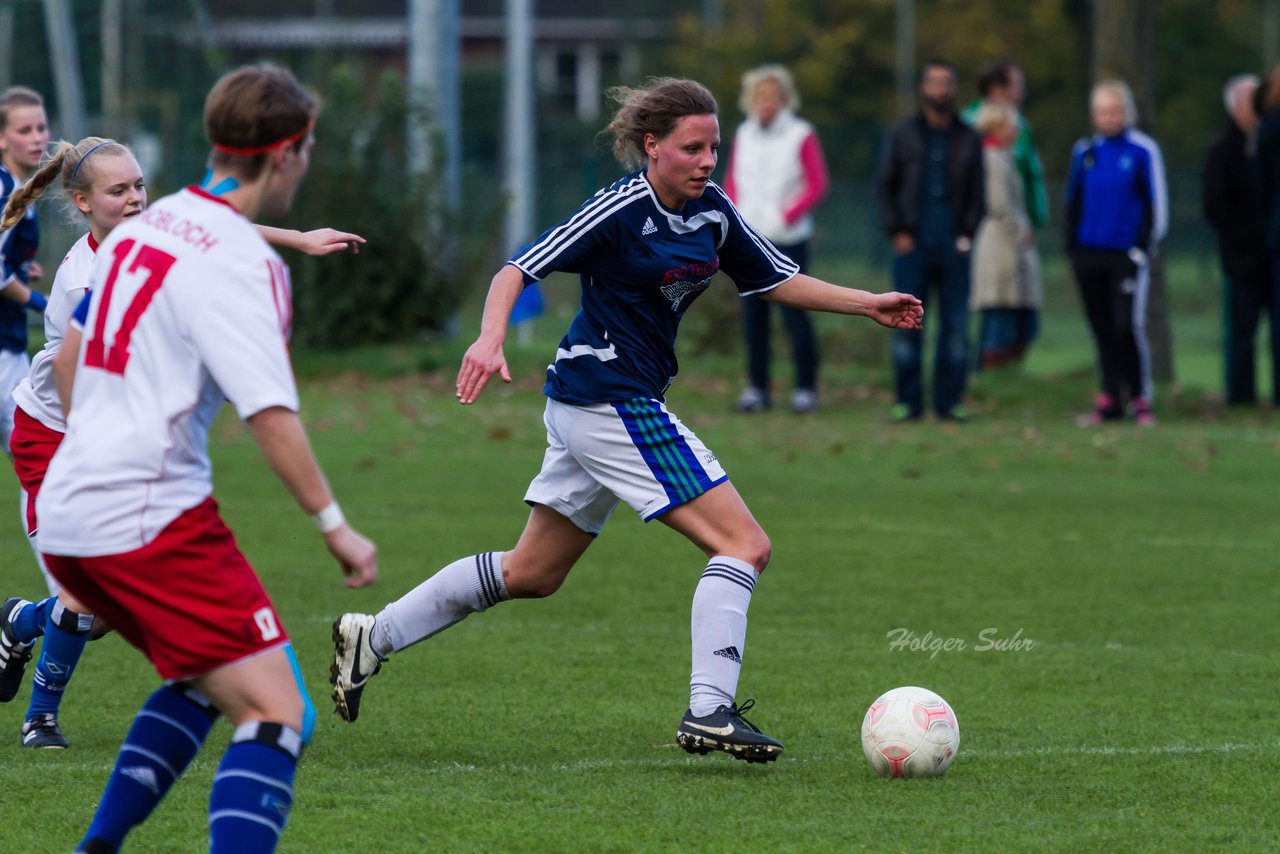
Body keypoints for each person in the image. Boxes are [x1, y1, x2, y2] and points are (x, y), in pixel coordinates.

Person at [329, 77, 922, 765]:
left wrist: (867, 303)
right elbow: (516, 271)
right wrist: (490, 337)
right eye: (691, 148)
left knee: (532, 573)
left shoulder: (712, 213)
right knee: (743, 544)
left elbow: (776, 278)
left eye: (713, 148)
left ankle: (373, 637)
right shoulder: (617, 211)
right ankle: (709, 710)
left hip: (599, 404)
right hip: (609, 401)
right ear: (652, 146)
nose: (706, 161)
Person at [35, 64, 377, 851]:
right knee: (278, 710)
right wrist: (334, 525)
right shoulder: (243, 261)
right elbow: (270, 414)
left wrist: (99, 438)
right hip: (150, 516)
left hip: (68, 511)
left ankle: (98, 846)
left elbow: (65, 360)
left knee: (202, 682)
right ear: (287, 153)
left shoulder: (143, 229)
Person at [0, 136, 366, 751]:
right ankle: (40, 718)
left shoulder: (145, 237)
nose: (137, 199)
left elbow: (213, 227)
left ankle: (18, 621)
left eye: (140, 186)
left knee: (106, 610)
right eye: (119, 192)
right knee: (84, 597)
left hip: (111, 435)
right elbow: (79, 367)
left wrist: (298, 239)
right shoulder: (85, 278)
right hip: (56, 436)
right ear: (82, 202)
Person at [876, 59, 985, 422]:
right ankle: (907, 402)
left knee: (955, 327)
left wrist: (967, 234)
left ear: (954, 89)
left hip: (955, 246)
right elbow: (885, 186)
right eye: (933, 83)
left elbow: (977, 193)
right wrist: (898, 232)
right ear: (924, 88)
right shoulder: (902, 134)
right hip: (913, 245)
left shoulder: (969, 138)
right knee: (906, 325)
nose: (940, 90)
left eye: (946, 83)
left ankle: (949, 402)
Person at [723, 64, 829, 413]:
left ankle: (805, 389)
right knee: (753, 316)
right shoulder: (744, 134)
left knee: (796, 313)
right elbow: (732, 181)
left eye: (771, 96)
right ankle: (757, 388)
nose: (765, 103)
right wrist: (737, 218)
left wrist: (785, 216)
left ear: (784, 99)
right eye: (759, 96)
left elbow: (816, 184)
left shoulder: (801, 134)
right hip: (750, 238)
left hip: (788, 237)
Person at [1066, 79, 1168, 426]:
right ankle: (1109, 397)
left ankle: (1140, 397)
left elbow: (1155, 206)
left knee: (1127, 325)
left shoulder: (1142, 151)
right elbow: (1073, 203)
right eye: (1102, 111)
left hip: (1125, 254)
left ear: (1127, 113)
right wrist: (1074, 250)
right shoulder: (1085, 152)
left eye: (1114, 110)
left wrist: (1140, 249)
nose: (1108, 117)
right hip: (1089, 254)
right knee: (1102, 327)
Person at [1204, 74, 1272, 406]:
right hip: (1242, 257)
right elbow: (1215, 205)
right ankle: (1240, 397)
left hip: (1273, 253)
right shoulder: (1222, 151)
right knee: (1241, 332)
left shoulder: (1271, 142)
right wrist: (1246, 242)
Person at [969, 103, 1042, 369]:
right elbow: (998, 202)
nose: (1017, 130)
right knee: (999, 313)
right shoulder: (991, 159)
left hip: (1011, 244)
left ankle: (1004, 371)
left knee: (1018, 316)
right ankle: (991, 374)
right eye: (1012, 125)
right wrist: (1018, 228)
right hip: (1000, 245)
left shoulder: (1006, 157)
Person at [0, 86, 50, 454]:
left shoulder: (19, 190)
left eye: (41, 128)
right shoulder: (6, 192)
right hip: (3, 347)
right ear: (2, 138)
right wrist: (42, 301)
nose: (37, 138)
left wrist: (18, 265)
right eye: (24, 130)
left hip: (9, 341)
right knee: (41, 452)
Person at [963, 62, 1049, 234]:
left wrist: (1033, 219)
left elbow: (1031, 175)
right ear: (997, 89)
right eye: (1017, 87)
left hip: (1016, 222)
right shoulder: (966, 125)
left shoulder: (1021, 127)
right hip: (980, 224)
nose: (1022, 94)